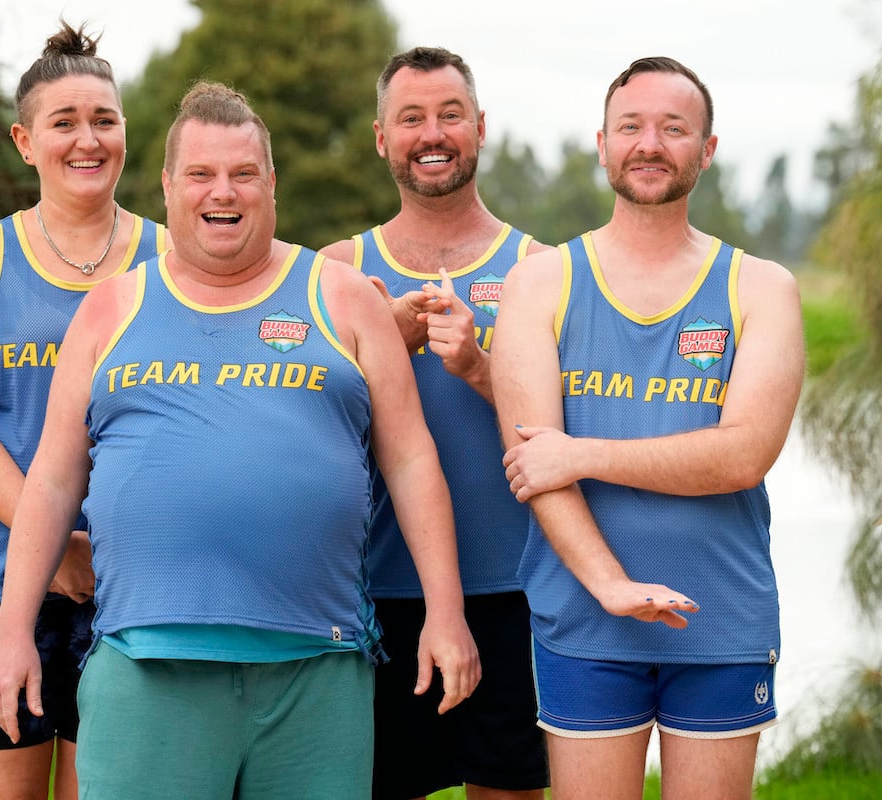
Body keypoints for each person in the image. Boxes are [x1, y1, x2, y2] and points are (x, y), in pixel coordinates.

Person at [0, 81, 480, 799]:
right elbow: (55, 483)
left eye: (244, 174)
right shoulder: (111, 309)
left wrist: (446, 613)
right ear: (168, 185)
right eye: (203, 175)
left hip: (319, 671)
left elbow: (410, 461)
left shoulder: (341, 297)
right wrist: (11, 633)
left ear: (271, 183)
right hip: (146, 669)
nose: (225, 192)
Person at [490, 57, 805, 800]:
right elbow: (536, 469)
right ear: (602, 144)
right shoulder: (541, 283)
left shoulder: (761, 288)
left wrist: (583, 452)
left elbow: (742, 456)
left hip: (719, 614)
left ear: (708, 148)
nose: (650, 143)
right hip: (584, 614)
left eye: (674, 128)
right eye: (631, 126)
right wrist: (610, 584)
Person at [0, 21, 168, 800]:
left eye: (104, 120)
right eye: (64, 123)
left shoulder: (173, 258)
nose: (87, 139)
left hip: (137, 585)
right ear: (26, 141)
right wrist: (55, 543)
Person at [321, 46, 549, 800]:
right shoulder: (338, 274)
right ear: (382, 137)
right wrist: (374, 352)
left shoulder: (541, 270)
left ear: (480, 128)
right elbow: (299, 436)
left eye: (451, 115)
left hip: (519, 592)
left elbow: (570, 434)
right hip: (373, 593)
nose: (433, 134)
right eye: (411, 118)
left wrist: (483, 369)